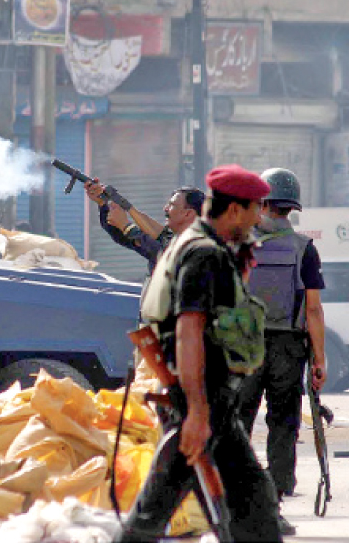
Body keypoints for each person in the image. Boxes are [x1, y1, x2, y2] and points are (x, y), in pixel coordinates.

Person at [116, 164, 282, 543]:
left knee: (252, 502)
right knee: (155, 512)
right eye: (256, 208)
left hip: (208, 400)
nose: (260, 217)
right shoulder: (204, 255)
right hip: (200, 399)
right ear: (235, 210)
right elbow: (189, 332)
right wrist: (197, 410)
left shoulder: (197, 244)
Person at [238, 167, 327, 536]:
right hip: (288, 347)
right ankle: (276, 491)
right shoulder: (304, 248)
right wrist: (319, 358)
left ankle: (238, 492)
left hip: (244, 344)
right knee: (283, 420)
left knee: (239, 420)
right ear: (291, 208)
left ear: (261, 203)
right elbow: (313, 309)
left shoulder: (238, 244)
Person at [84, 180, 204, 273]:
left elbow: (161, 255)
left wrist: (127, 227)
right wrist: (103, 204)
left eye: (172, 205)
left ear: (188, 213)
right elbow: (123, 237)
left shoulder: (198, 247)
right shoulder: (171, 239)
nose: (166, 209)